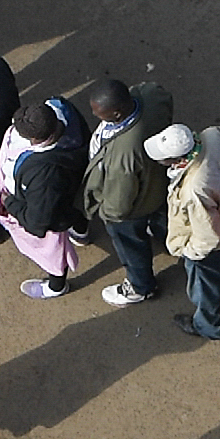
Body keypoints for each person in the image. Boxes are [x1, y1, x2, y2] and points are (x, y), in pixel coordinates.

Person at [80, 79, 176, 305]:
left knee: (131, 245)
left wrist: (108, 215)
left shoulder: (123, 155)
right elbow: (161, 96)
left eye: (99, 113)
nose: (96, 116)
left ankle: (141, 286)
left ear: (116, 114)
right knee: (163, 220)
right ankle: (173, 245)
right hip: (159, 182)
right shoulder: (152, 95)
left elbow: (119, 203)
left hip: (136, 206)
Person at [149, 121, 220, 338]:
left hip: (209, 241)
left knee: (204, 288)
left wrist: (189, 252)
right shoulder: (213, 135)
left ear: (178, 159)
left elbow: (207, 237)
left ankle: (209, 326)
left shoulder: (194, 188)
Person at [0, 97, 93, 298]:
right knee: (74, 213)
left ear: (32, 139)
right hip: (74, 182)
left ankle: (56, 286)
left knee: (53, 249)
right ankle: (81, 233)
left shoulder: (43, 175)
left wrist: (9, 202)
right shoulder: (61, 107)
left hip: (52, 202)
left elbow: (37, 222)